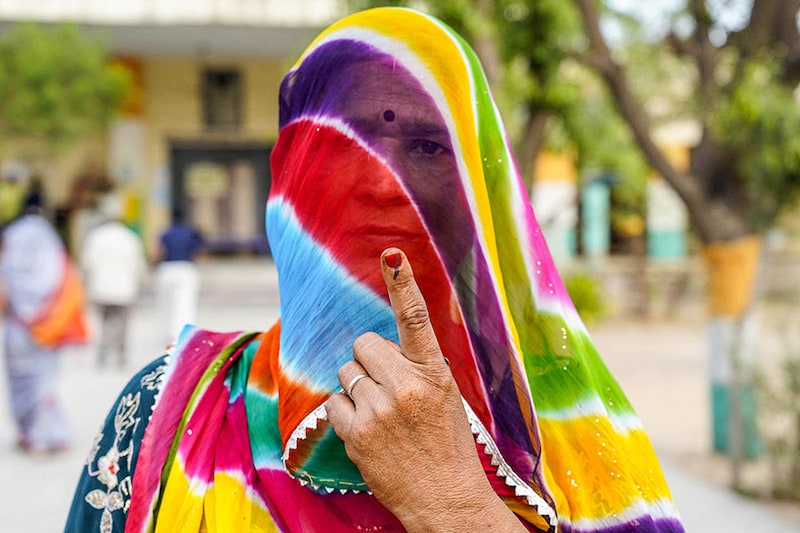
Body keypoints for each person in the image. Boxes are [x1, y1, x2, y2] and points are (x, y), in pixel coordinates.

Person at [65, 8, 684, 532]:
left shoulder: (574, 436)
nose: (384, 183)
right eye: (343, 144)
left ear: (482, 194)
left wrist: (458, 507)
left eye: (426, 147)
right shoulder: (170, 411)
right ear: (287, 182)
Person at [0, 191, 88, 454]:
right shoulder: (51, 239)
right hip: (50, 321)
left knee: (21, 380)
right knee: (44, 380)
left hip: (18, 324)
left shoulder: (12, 236)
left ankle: (29, 433)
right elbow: (65, 279)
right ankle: (50, 435)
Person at [80, 193, 148, 368]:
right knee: (123, 324)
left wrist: (86, 281)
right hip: (124, 288)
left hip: (101, 288)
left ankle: (102, 352)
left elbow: (87, 263)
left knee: (103, 322)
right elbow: (138, 264)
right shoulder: (130, 238)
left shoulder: (95, 237)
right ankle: (121, 354)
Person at [154, 207, 204, 343]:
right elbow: (198, 250)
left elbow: (159, 251)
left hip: (167, 268)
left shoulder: (166, 233)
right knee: (186, 303)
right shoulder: (190, 233)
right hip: (186, 268)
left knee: (167, 304)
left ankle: (169, 333)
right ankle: (183, 333)